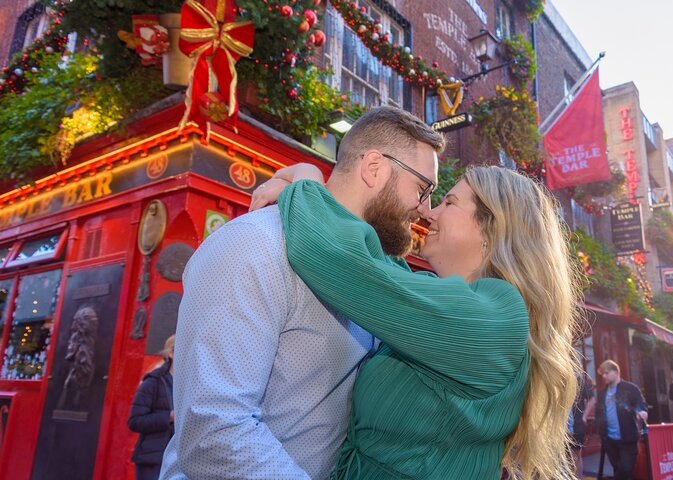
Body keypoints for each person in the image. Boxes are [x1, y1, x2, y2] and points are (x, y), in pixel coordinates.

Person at [159, 106, 446, 479]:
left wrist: (305, 177)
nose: (426, 210)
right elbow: (212, 433)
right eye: (424, 189)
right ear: (374, 167)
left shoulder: (373, 273)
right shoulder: (255, 244)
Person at [253, 162, 583, 479]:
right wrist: (306, 191)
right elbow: (375, 261)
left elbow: (335, 259)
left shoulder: (495, 316)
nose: (429, 212)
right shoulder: (470, 305)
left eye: (449, 203)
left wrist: (307, 178)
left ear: (490, 228)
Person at [128, 335, 176, 480]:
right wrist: (169, 417)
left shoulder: (192, 383)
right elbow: (135, 421)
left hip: (178, 459)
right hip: (153, 461)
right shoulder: (153, 381)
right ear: (171, 353)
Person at [595, 359, 648, 480]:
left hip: (627, 438)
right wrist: (601, 432)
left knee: (625, 468)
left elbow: (640, 403)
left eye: (606, 373)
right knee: (618, 469)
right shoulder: (602, 394)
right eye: (602, 374)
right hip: (609, 440)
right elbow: (599, 414)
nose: (604, 376)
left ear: (616, 372)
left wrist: (642, 411)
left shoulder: (630, 388)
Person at [568, 373, 597, 478]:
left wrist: (584, 416)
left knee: (575, 456)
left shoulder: (577, 379)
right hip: (558, 428)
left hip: (575, 425)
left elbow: (592, 398)